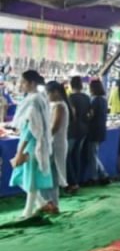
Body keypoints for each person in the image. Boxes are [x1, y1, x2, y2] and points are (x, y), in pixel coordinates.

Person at [8, 71, 54, 218]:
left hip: (32, 144)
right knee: (22, 175)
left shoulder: (34, 100)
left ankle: (28, 212)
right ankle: (41, 203)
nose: (20, 85)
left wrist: (20, 152)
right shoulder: (37, 98)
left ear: (32, 83)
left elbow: (31, 128)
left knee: (30, 178)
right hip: (31, 143)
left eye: (23, 82)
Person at [42, 81, 70, 213]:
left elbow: (55, 127)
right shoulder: (58, 105)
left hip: (55, 144)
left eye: (47, 93)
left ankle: (50, 202)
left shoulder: (59, 106)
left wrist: (44, 138)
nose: (47, 96)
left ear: (55, 92)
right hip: (55, 143)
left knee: (49, 174)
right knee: (52, 175)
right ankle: (52, 203)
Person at [65, 76, 90, 194]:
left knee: (67, 156)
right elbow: (90, 113)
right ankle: (77, 180)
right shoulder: (86, 97)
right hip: (84, 129)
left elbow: (72, 114)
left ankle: (72, 182)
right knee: (76, 155)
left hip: (72, 129)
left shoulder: (70, 98)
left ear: (71, 85)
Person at [85, 79, 110, 185]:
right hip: (101, 129)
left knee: (92, 155)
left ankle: (96, 176)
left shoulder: (94, 101)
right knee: (94, 154)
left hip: (93, 130)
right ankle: (103, 175)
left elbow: (91, 115)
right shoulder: (104, 100)